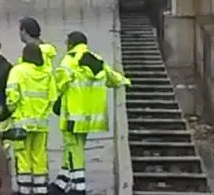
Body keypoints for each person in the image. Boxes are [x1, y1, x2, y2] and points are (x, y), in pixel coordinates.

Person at [48, 32, 131, 195]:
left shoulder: (69, 60)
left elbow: (60, 84)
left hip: (72, 115)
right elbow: (112, 77)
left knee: (74, 149)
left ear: (71, 44)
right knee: (71, 148)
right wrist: (126, 82)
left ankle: (79, 188)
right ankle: (61, 182)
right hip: (89, 118)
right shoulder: (97, 60)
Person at [7, 43, 55, 195]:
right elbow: (53, 98)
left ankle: (25, 190)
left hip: (22, 123)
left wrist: (10, 110)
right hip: (41, 124)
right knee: (39, 157)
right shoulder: (47, 73)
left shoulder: (17, 71)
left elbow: (12, 97)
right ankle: (40, 190)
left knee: (23, 157)